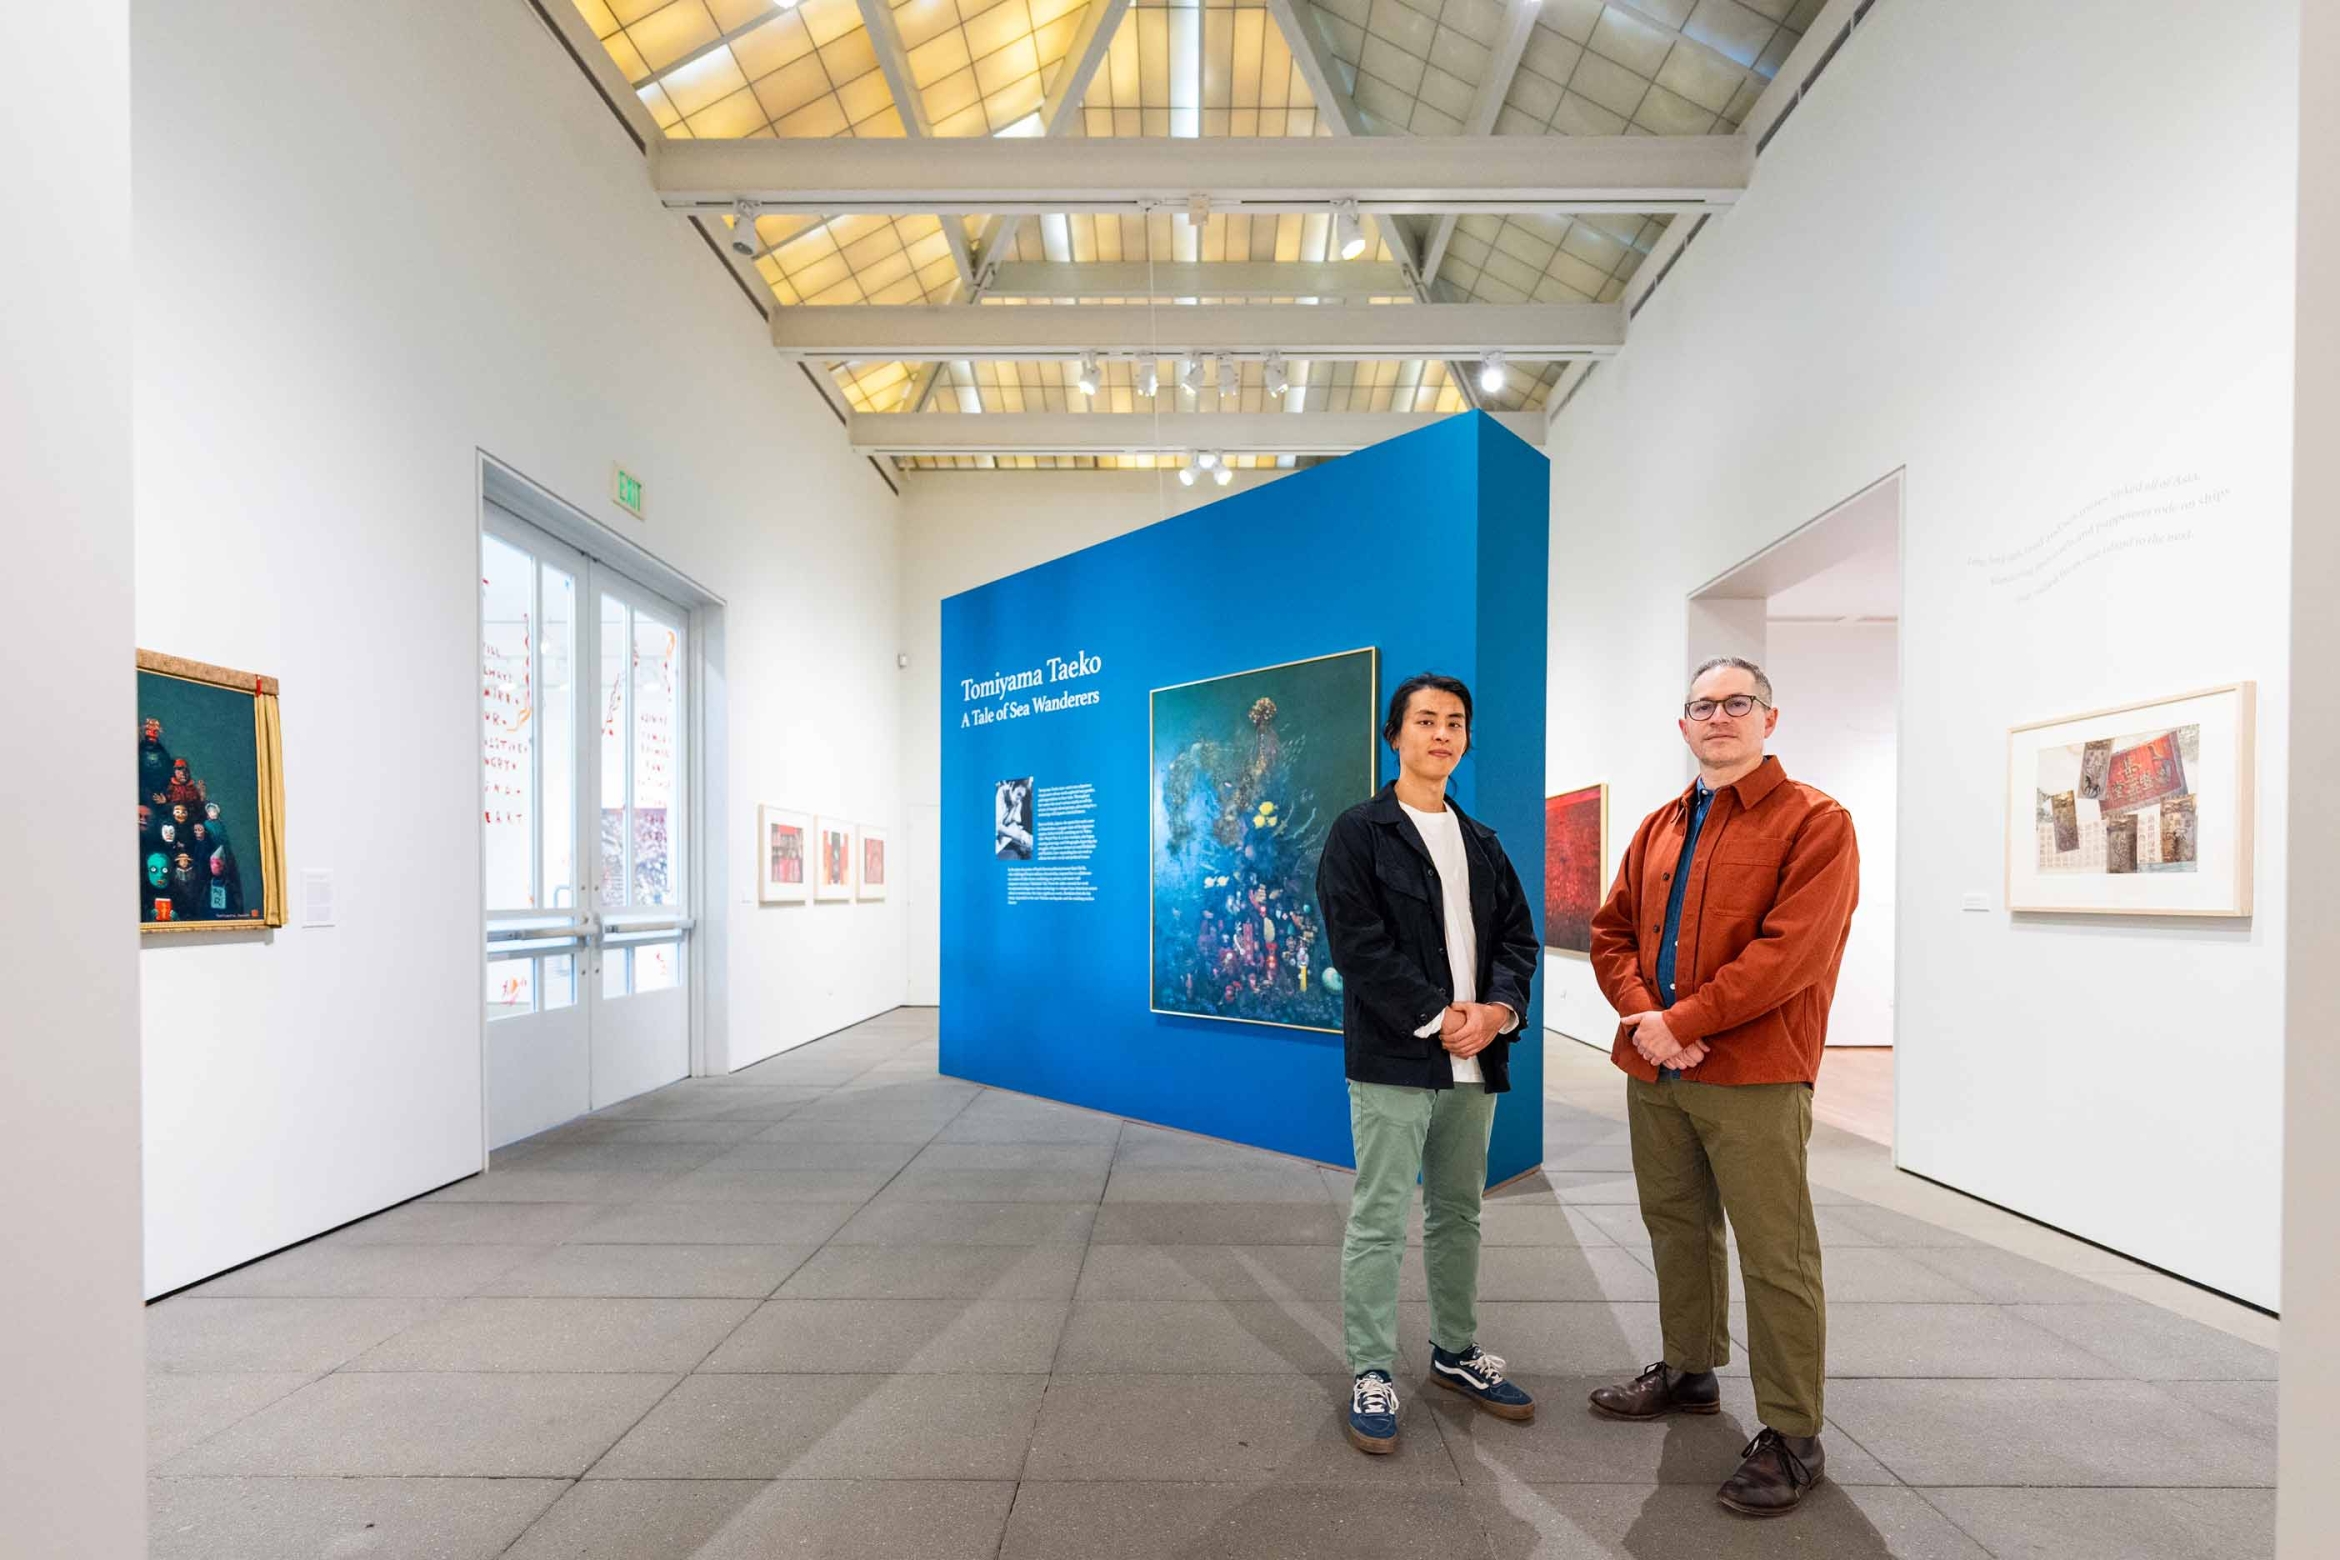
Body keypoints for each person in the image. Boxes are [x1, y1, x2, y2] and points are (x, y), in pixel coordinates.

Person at [1586, 656, 1860, 1518]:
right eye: (1702, 706)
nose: (1718, 717)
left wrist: (1688, 1020)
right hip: (1656, 1068)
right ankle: (1689, 1367)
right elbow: (1610, 934)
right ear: (1683, 725)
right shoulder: (1659, 826)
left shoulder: (1816, 822)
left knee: (1775, 1254)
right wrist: (1647, 1017)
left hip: (1754, 1076)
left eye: (1737, 703)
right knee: (1676, 1227)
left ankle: (1792, 1433)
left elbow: (1793, 953)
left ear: (1769, 719)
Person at [1316, 672, 1540, 1454]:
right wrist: (1437, 1014)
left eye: (1454, 722)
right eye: (1425, 720)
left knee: (1459, 1214)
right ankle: (1371, 1370)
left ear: (1465, 740)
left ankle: (1455, 1351)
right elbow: (1357, 944)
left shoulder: (1483, 843)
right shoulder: (1359, 832)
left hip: (1477, 1060)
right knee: (1379, 1218)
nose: (1441, 734)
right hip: (1394, 1060)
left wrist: (1497, 1011)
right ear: (1395, 736)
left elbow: (1517, 939)